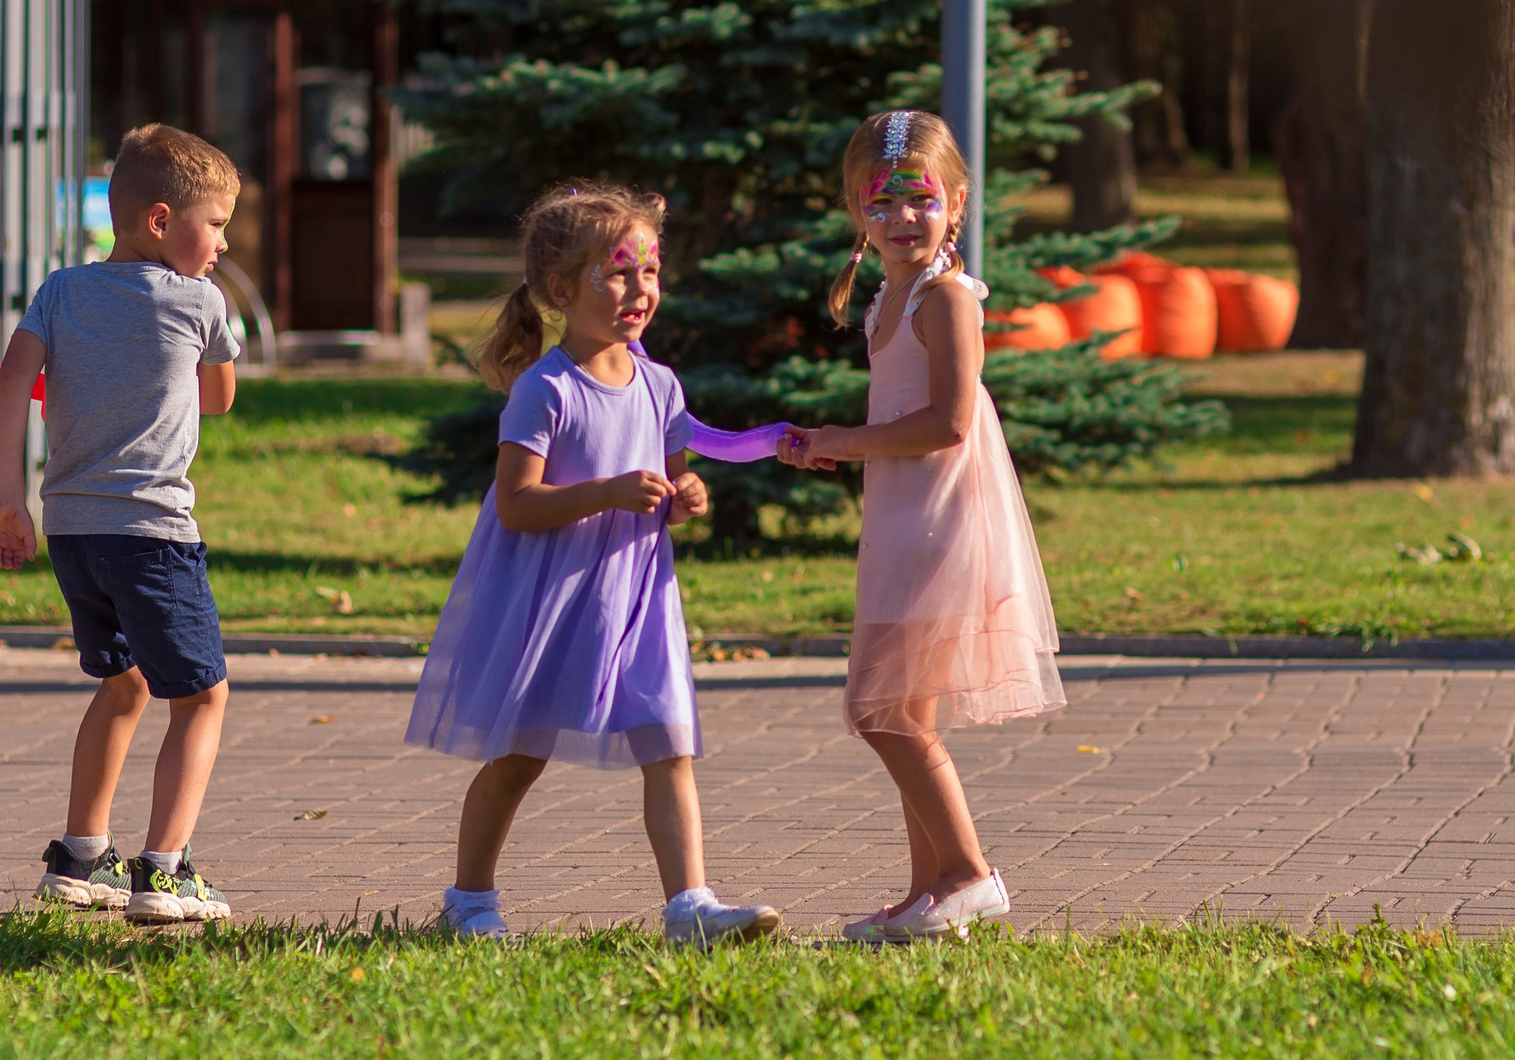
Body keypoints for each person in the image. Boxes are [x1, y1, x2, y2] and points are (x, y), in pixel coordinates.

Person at [407, 181, 781, 947]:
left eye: (650, 269)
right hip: (554, 599)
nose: (640, 287)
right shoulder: (544, 390)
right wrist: (607, 491)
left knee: (670, 744)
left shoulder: (660, 383)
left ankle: (691, 907)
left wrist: (685, 494)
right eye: (618, 271)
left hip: (637, 597)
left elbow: (669, 477)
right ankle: (468, 899)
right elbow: (517, 503)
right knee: (518, 757)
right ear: (558, 289)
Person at [777, 110, 1065, 942]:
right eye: (882, 202)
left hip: (940, 518)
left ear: (957, 202)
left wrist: (840, 441)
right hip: (904, 514)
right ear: (856, 214)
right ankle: (928, 891)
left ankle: (973, 872)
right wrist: (839, 445)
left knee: (879, 711)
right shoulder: (891, 293)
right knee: (907, 710)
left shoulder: (944, 298)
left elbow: (946, 422)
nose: (903, 216)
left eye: (921, 198)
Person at [0, 123, 244, 925]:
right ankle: (164, 870)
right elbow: (220, 397)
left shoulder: (60, 291)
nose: (223, 244)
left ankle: (80, 855)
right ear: (161, 221)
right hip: (153, 531)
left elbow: (9, 383)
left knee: (123, 681)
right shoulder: (201, 300)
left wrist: (6, 499)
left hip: (71, 527)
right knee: (202, 696)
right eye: (217, 223)